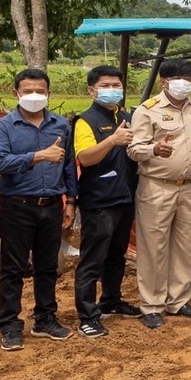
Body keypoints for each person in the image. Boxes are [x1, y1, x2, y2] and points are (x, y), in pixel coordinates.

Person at [0, 68, 77, 350]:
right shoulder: (3, 127)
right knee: (13, 268)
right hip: (17, 206)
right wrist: (38, 156)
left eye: (40, 91)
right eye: (28, 91)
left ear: (49, 93)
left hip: (51, 205)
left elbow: (68, 165)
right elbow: (0, 163)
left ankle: (45, 318)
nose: (34, 96)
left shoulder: (61, 125)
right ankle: (10, 325)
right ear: (16, 93)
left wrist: (71, 201)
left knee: (47, 266)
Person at [128, 59, 191, 329]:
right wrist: (153, 149)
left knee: (186, 246)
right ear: (164, 82)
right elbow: (133, 149)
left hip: (190, 186)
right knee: (154, 248)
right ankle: (152, 305)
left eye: (188, 79)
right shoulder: (147, 110)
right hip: (157, 186)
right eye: (177, 78)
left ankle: (179, 300)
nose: (183, 83)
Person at [72, 65, 142, 339]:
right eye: (106, 85)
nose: (112, 90)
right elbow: (85, 158)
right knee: (93, 259)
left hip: (124, 197)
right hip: (99, 200)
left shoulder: (125, 117)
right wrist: (112, 140)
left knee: (116, 254)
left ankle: (111, 300)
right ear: (92, 90)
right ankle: (87, 316)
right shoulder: (85, 121)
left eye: (117, 85)